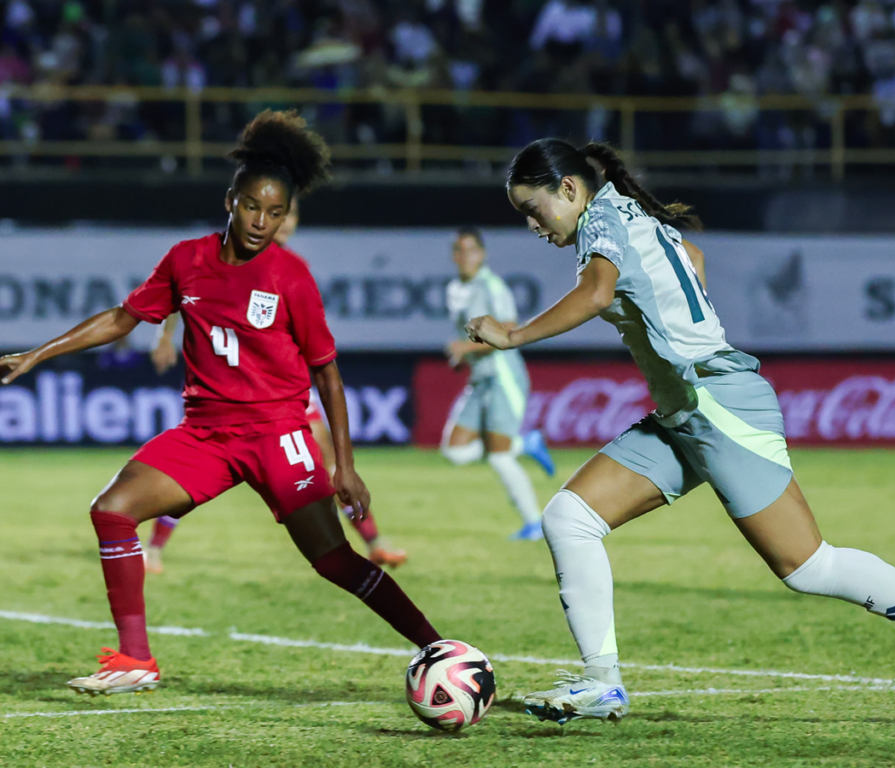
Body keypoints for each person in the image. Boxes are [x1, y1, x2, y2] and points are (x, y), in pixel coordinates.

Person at [466, 138, 895, 724]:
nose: (532, 225)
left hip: (717, 406)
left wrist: (512, 336)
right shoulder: (623, 213)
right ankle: (602, 683)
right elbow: (692, 258)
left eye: (532, 209)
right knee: (569, 517)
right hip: (687, 412)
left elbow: (598, 294)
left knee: (808, 566)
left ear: (567, 189)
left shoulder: (604, 220)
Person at [0, 110, 442, 696]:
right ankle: (135, 661)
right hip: (205, 434)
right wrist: (37, 354)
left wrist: (346, 466)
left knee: (333, 559)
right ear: (230, 200)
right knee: (112, 509)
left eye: (276, 212)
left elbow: (327, 373)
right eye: (253, 207)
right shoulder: (186, 260)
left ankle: (438, 647)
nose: (262, 222)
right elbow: (121, 318)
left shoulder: (292, 276)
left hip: (278, 434)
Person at [146, 199, 407, 573]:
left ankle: (374, 542)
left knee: (329, 461)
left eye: (288, 215)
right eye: (273, 214)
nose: (281, 223)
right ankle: (154, 548)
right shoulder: (230, 259)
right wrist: (165, 337)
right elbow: (183, 290)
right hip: (235, 393)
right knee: (195, 474)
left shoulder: (292, 270)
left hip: (286, 392)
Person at [442, 226, 556, 541]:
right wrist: (464, 358)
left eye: (470, 250)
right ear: (453, 256)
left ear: (482, 254)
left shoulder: (492, 286)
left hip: (504, 376)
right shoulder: (454, 289)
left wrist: (464, 348)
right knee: (453, 450)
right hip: (479, 379)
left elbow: (508, 330)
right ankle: (527, 444)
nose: (465, 256)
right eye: (459, 250)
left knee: (498, 457)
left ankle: (534, 524)